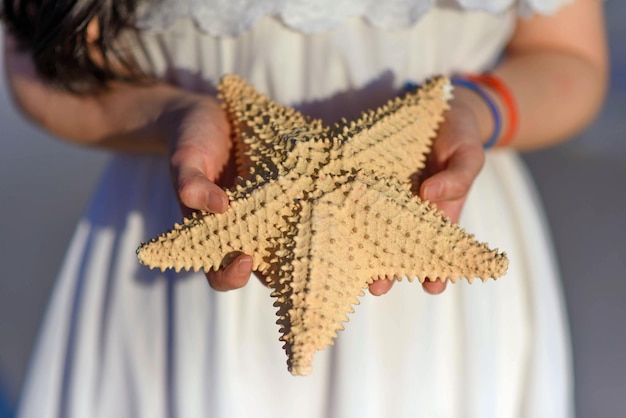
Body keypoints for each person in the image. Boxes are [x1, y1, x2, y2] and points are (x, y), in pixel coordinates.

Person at [1, 0, 607, 417]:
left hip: (441, 195)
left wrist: (475, 111)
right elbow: (37, 67)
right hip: (189, 204)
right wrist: (171, 115)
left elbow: (571, 60)